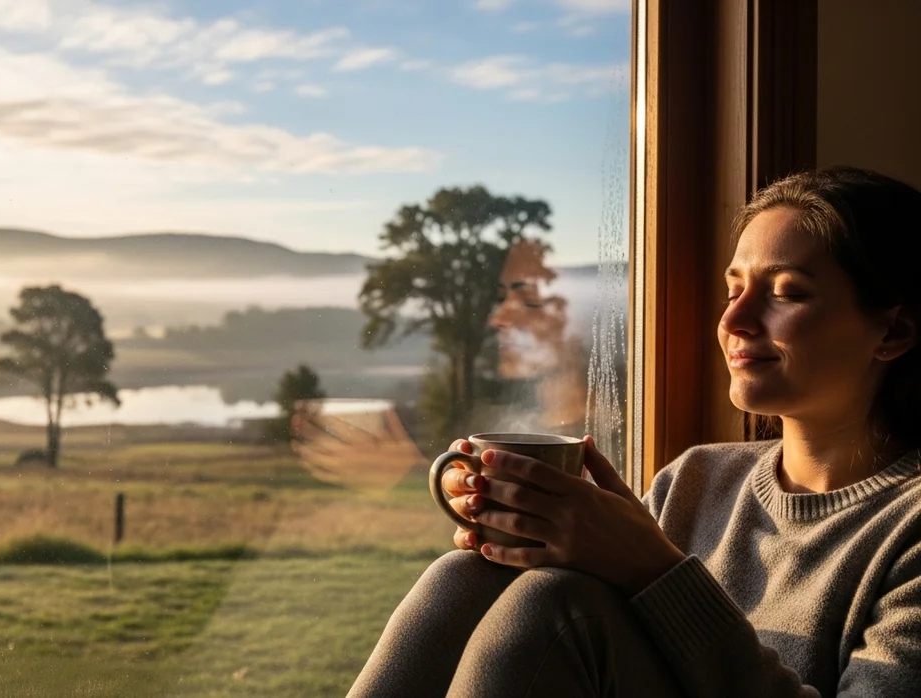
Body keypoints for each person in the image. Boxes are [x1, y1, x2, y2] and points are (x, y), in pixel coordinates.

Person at [348, 166, 921, 698]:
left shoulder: (908, 531)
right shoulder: (696, 481)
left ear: (891, 332)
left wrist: (653, 569)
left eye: (787, 293)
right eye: (734, 289)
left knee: (557, 603)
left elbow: (597, 615)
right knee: (468, 575)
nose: (732, 321)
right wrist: (526, 531)